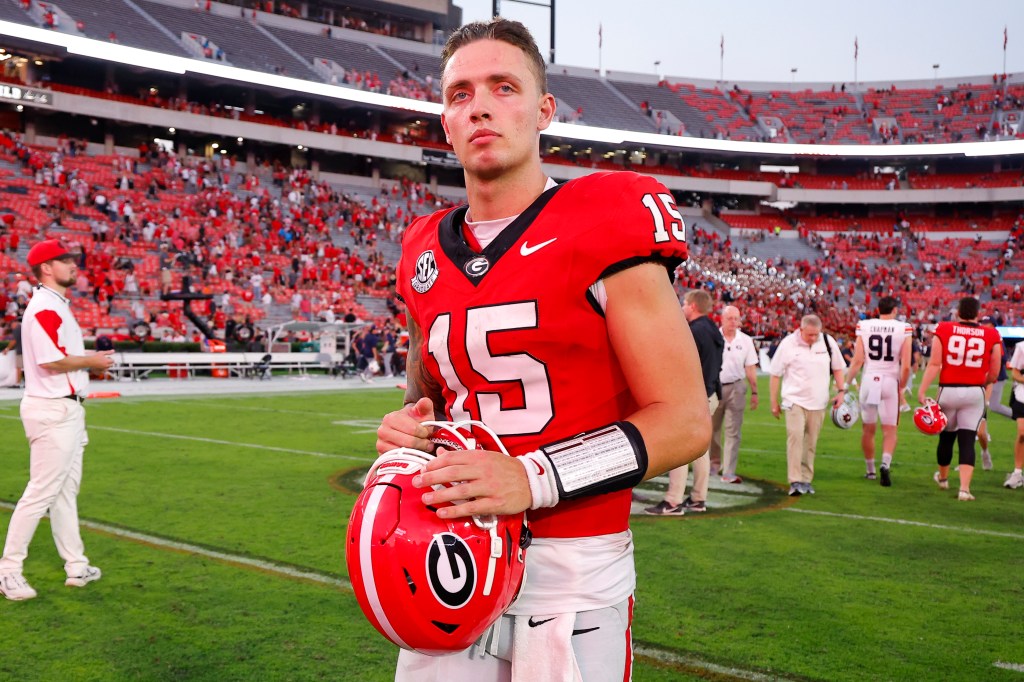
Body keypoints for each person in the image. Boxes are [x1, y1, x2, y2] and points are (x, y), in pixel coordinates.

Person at [374, 17, 709, 680]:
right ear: (445, 119)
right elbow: (430, 397)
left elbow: (685, 419)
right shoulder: (422, 247)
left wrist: (530, 478)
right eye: (461, 93)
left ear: (543, 109)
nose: (481, 106)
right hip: (451, 548)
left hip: (572, 572)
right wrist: (411, 427)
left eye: (504, 86)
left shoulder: (605, 214)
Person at [0, 240, 115, 601]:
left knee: (64, 493)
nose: (73, 265)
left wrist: (86, 366)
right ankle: (8, 571)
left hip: (64, 408)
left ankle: (76, 565)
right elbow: (51, 360)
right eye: (65, 260)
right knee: (41, 493)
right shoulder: (46, 307)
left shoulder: (55, 305)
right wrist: (91, 362)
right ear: (45, 268)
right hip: (53, 409)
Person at [917, 296, 1002, 501]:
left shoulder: (944, 329)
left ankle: (944, 479)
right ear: (978, 314)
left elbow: (935, 364)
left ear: (958, 313)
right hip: (974, 391)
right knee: (967, 441)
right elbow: (995, 370)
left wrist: (921, 391)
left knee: (946, 437)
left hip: (949, 389)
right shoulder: (991, 334)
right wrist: (984, 381)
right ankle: (964, 489)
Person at [646, 289, 723, 515]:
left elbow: (682, 366)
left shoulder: (695, 331)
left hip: (694, 396)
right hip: (709, 394)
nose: (683, 307)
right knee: (701, 451)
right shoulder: (711, 329)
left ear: (693, 306)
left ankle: (673, 502)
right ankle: (699, 498)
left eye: (685, 304)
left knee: (680, 449)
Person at [768, 315, 847, 496]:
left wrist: (841, 391)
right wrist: (774, 402)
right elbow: (775, 374)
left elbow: (837, 368)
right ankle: (795, 480)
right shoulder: (788, 344)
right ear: (800, 329)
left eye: (816, 335)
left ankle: (806, 479)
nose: (813, 338)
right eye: (809, 335)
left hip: (819, 401)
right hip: (794, 400)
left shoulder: (827, 342)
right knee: (795, 438)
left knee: (810, 442)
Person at [843, 296, 912, 486]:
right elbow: (905, 365)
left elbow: (857, 360)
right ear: (895, 310)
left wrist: (846, 385)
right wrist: (902, 388)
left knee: (868, 429)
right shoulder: (903, 328)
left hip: (869, 380)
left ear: (878, 309)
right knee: (890, 430)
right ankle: (885, 463)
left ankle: (870, 470)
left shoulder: (864, 325)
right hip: (890, 380)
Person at [709, 304, 759, 484]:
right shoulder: (713, 337)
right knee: (712, 429)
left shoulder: (746, 340)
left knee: (733, 431)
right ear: (721, 319)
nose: (733, 322)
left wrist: (754, 391)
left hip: (737, 387)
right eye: (730, 318)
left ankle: (728, 471)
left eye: (736, 318)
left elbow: (751, 367)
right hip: (715, 386)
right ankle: (713, 463)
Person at [1003, 340, 1024, 489]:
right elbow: (1015, 372)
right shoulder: (1021, 347)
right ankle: (1017, 473)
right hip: (1022, 394)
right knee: (1022, 433)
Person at [1, 318, 22, 387]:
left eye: (11, 325)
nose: (11, 327)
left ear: (14, 323)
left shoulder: (17, 329)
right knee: (25, 368)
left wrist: (7, 349)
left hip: (20, 351)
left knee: (19, 367)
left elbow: (14, 341)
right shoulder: (21, 328)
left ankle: (17, 384)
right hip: (25, 351)